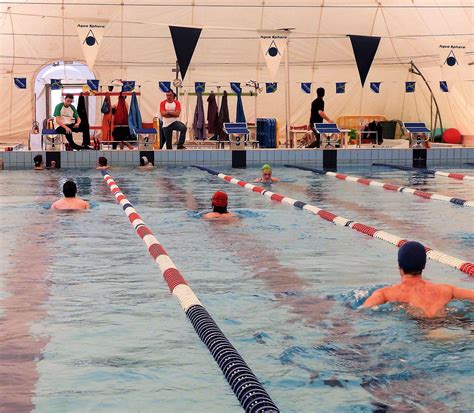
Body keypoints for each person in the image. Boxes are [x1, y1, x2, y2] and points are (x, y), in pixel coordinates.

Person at [363, 241, 474, 318]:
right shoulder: (447, 290)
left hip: (418, 331)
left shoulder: (385, 294)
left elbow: (362, 313)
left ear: (399, 266)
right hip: (448, 323)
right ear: (424, 265)